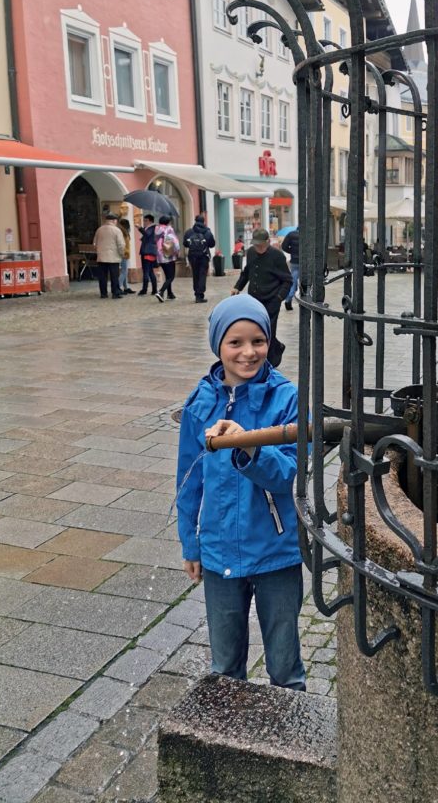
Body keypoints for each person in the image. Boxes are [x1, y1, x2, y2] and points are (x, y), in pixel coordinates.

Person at [175, 295, 305, 689]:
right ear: (218, 345)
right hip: (218, 552)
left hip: (275, 551)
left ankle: (289, 735)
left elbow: (287, 473)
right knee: (226, 667)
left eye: (258, 341)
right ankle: (227, 743)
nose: (249, 353)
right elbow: (187, 481)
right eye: (236, 342)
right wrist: (190, 545)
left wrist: (247, 444)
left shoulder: (287, 399)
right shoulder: (201, 403)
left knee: (284, 666)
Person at [231, 229, 292, 368]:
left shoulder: (277, 256)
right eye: (256, 245)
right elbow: (246, 273)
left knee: (268, 332)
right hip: (254, 301)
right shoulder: (251, 252)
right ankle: (276, 347)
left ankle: (268, 365)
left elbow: (288, 280)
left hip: (272, 300)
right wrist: (237, 287)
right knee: (256, 331)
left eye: (261, 245)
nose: (258, 248)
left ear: (268, 242)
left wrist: (279, 298)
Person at [183, 214, 216, 304]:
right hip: (204, 256)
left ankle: (196, 293)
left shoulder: (189, 232)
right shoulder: (207, 232)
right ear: (203, 221)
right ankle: (200, 295)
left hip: (192, 256)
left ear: (195, 221)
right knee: (202, 275)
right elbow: (212, 244)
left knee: (195, 274)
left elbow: (185, 244)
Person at [93, 213, 124, 300]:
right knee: (114, 276)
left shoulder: (99, 230)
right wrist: (122, 254)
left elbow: (94, 243)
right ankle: (115, 293)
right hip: (113, 257)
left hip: (101, 257)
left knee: (102, 276)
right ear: (114, 221)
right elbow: (121, 244)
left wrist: (98, 251)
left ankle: (103, 293)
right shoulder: (117, 230)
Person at [154, 215, 179, 302]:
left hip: (159, 256)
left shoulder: (157, 229)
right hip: (168, 256)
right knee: (171, 277)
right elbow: (175, 242)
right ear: (168, 222)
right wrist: (177, 251)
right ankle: (161, 292)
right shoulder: (169, 229)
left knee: (167, 275)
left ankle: (170, 293)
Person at [136, 214, 158, 296]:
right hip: (150, 251)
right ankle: (154, 289)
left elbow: (147, 234)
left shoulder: (152, 228)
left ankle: (144, 290)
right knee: (150, 271)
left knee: (146, 271)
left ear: (150, 221)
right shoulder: (150, 228)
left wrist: (140, 228)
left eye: (145, 221)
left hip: (147, 252)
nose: (144, 222)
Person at [281, 227, 300, 311]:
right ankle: (307, 301)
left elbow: (284, 246)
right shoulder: (308, 234)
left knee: (293, 281)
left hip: (295, 261)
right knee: (307, 282)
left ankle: (288, 300)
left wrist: (291, 251)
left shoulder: (291, 234)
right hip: (306, 261)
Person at [117, 218, 134, 294]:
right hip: (124, 254)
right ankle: (118, 287)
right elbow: (122, 244)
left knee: (125, 271)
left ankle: (126, 287)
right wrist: (125, 252)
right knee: (124, 271)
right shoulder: (122, 232)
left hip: (125, 253)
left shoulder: (124, 232)